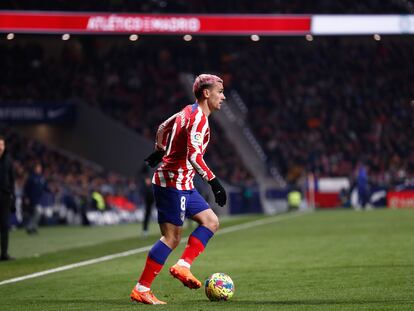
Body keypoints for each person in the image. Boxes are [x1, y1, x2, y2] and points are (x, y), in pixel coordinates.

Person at [130, 74, 227, 305]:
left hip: (184, 183)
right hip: (172, 182)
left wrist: (159, 149)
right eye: (220, 91)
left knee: (211, 221)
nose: (223, 96)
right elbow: (194, 155)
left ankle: (183, 266)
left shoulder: (187, 111)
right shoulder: (200, 120)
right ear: (206, 93)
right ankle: (141, 289)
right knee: (171, 238)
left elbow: (164, 126)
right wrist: (214, 182)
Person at [0, 135, 16, 261]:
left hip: (5, 196)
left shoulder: (8, 159)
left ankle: (4, 253)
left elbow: (12, 180)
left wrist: (13, 197)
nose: (0, 147)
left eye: (2, 145)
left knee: (4, 225)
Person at [23, 162, 47, 234]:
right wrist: (26, 197)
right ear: (35, 169)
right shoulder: (31, 178)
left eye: (40, 168)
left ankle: (33, 227)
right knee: (37, 212)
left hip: (40, 199)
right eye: (38, 168)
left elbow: (45, 187)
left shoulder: (42, 178)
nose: (39, 169)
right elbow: (26, 188)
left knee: (36, 213)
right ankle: (30, 227)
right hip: (32, 198)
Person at [138, 164, 155, 238]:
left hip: (161, 189)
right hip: (150, 191)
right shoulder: (149, 162)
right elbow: (141, 173)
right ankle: (145, 230)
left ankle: (170, 229)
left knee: (166, 209)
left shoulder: (165, 160)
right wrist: (145, 178)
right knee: (148, 211)